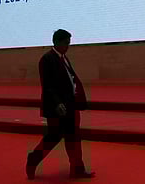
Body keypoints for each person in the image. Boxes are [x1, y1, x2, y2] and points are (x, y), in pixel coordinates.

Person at [26, 29, 94, 180]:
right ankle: (33, 159)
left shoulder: (64, 58)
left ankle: (77, 169)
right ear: (56, 42)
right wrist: (57, 103)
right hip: (57, 108)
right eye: (65, 43)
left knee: (74, 138)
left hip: (70, 105)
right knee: (53, 137)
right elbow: (47, 85)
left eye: (69, 43)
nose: (67, 46)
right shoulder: (47, 59)